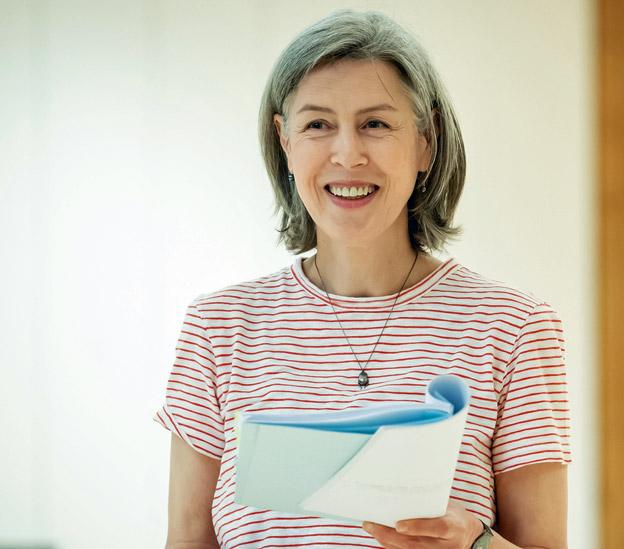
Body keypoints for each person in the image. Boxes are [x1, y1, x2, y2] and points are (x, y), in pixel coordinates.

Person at [155, 9, 571, 549]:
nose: (347, 153)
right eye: (317, 124)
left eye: (375, 124)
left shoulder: (513, 328)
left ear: (426, 141)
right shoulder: (219, 329)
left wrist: (477, 544)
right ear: (285, 142)